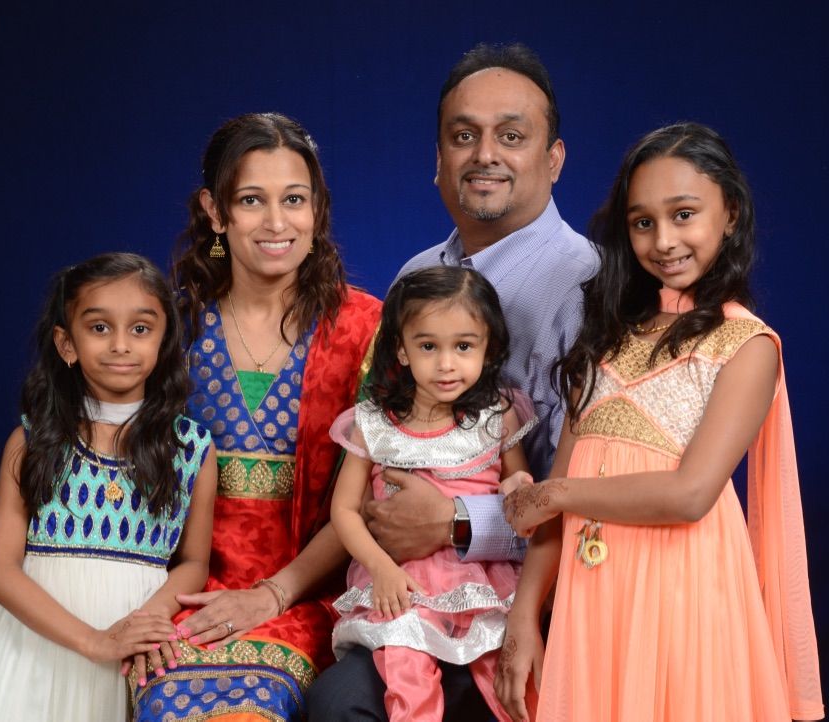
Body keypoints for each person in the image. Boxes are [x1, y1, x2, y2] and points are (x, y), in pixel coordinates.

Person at [307, 41, 597, 722]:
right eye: (463, 136)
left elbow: (591, 492)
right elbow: (374, 451)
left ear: (554, 159)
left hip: (536, 597)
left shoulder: (592, 287)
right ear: (438, 160)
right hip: (404, 595)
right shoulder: (415, 278)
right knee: (340, 706)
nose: (484, 154)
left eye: (511, 136)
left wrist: (457, 522)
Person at [495, 122, 824, 722]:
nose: (664, 240)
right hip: (593, 601)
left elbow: (689, 494)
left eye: (684, 215)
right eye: (643, 222)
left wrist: (555, 494)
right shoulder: (606, 340)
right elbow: (557, 494)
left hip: (685, 600)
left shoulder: (745, 345)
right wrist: (524, 614)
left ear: (730, 214)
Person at [130, 112, 382, 721]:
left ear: (317, 209)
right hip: (182, 595)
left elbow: (371, 500)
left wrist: (271, 595)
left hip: (310, 599)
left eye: (294, 199)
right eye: (251, 200)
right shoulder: (172, 329)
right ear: (215, 212)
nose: (276, 222)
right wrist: (151, 608)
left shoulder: (365, 331)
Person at [0, 252, 217, 721]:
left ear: (164, 341)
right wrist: (93, 641)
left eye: (140, 328)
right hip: (35, 646)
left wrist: (144, 622)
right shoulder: (33, 442)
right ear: (66, 343)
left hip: (134, 642)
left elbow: (194, 562)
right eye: (99, 327)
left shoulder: (191, 448)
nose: (120, 345)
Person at [329, 266, 536, 722]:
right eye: (428, 346)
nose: (446, 364)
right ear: (402, 349)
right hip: (403, 583)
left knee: (509, 683)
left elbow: (518, 484)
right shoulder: (374, 423)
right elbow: (343, 510)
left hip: (482, 580)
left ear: (488, 348)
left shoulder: (497, 416)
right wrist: (381, 568)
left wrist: (518, 486)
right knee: (406, 675)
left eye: (463, 346)